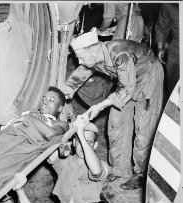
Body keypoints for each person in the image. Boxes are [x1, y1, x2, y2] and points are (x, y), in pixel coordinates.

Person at [62, 29, 164, 190]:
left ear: (92, 49)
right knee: (116, 123)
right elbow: (79, 74)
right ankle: (120, 170)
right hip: (127, 81)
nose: (79, 62)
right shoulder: (93, 57)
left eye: (81, 57)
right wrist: (63, 95)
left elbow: (126, 90)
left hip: (148, 76)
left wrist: (99, 106)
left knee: (144, 127)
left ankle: (141, 173)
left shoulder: (119, 54)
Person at [155, 3, 179, 98]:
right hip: (176, 51)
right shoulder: (168, 4)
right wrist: (160, 48)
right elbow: (162, 26)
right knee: (173, 89)